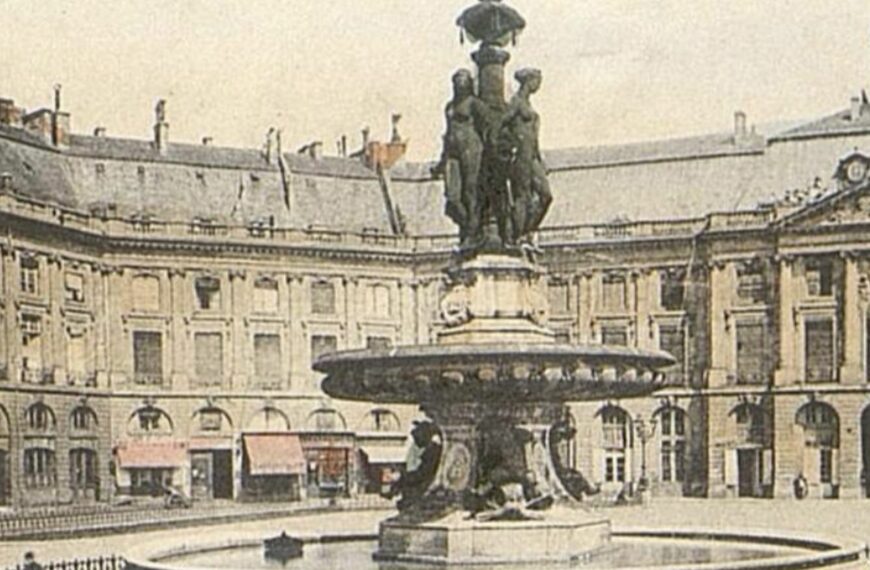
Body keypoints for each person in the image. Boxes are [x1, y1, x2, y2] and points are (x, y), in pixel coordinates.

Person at [432, 69, 485, 249]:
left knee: (471, 192)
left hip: (472, 150)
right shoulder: (449, 107)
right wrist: (441, 162)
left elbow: (488, 127)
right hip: (453, 154)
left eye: (462, 81)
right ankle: (468, 227)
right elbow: (447, 135)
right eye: (456, 81)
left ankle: (472, 232)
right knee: (453, 197)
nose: (459, 84)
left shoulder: (474, 104)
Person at [498, 68, 552, 245]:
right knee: (522, 197)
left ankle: (528, 230)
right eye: (537, 80)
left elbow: (534, 139)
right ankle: (518, 236)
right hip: (520, 156)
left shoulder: (527, 105)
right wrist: (509, 148)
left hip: (532, 157)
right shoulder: (516, 102)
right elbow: (501, 125)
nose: (538, 84)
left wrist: (540, 160)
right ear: (529, 81)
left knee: (546, 195)